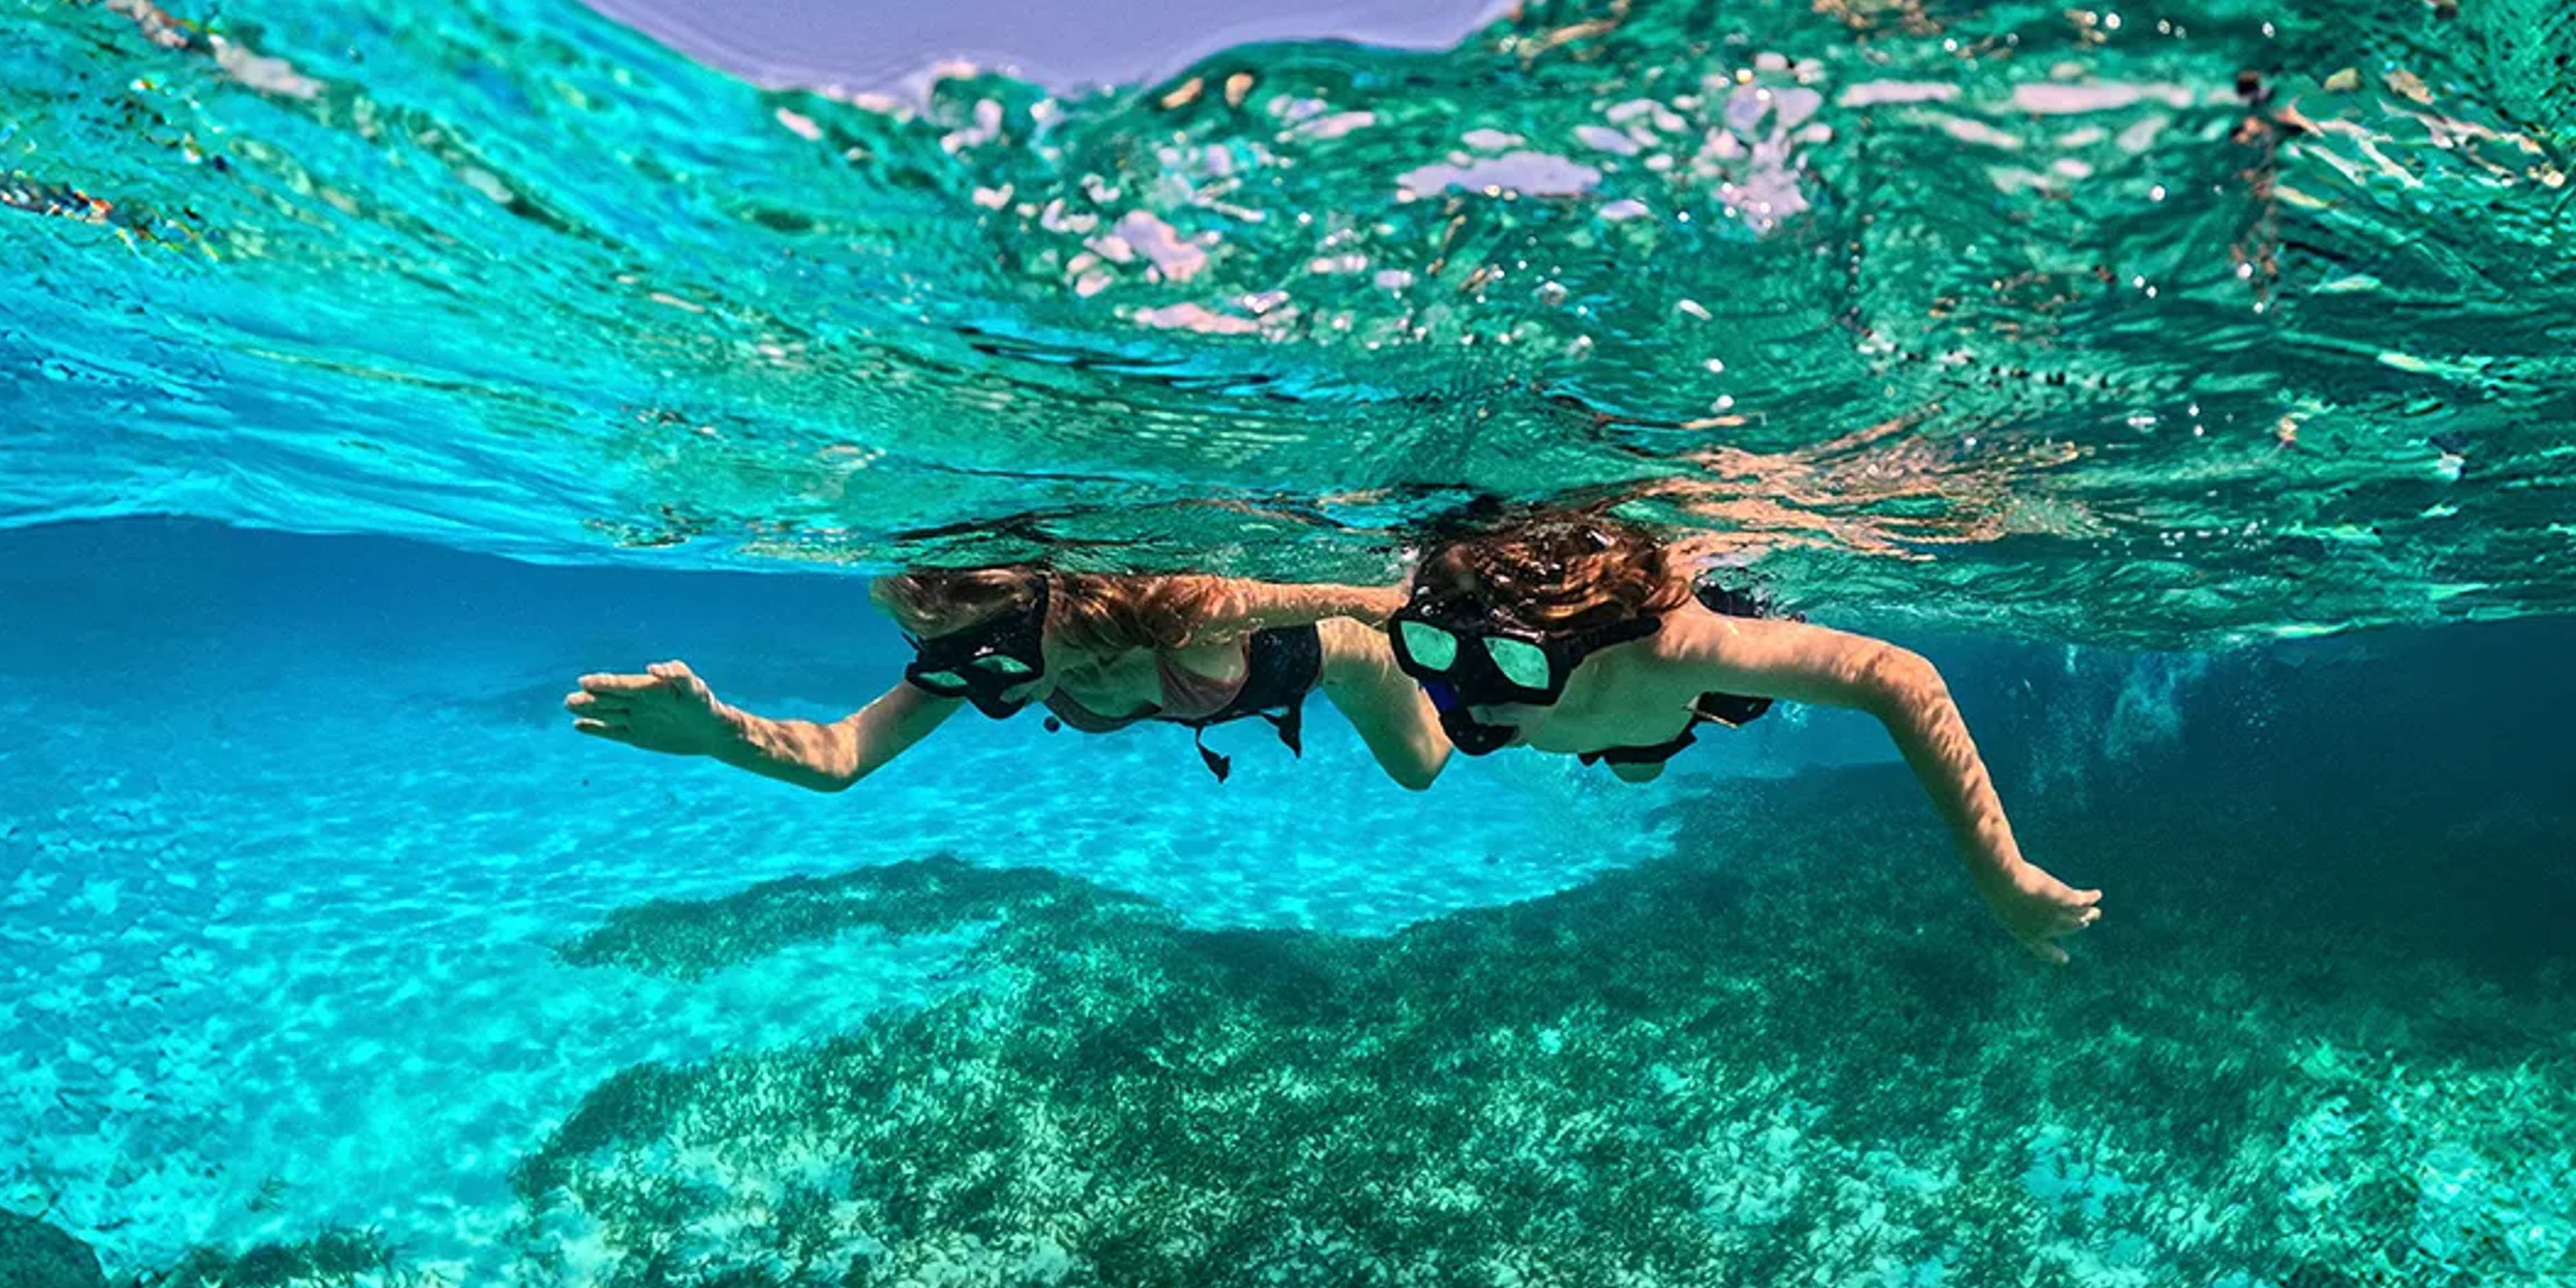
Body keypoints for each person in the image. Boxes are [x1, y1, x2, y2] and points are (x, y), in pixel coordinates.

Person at [1387, 507, 2103, 960]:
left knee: (1641, 762)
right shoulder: (1457, 634)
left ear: (1570, 644)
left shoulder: (1672, 650)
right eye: (1434, 652)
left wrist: (2000, 873)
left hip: (1671, 707)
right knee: (1628, 766)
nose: (1469, 702)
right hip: (1620, 727)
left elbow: (1899, 676)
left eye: (1513, 665)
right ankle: (1621, 747)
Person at [566, 565, 1447, 791]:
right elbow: (840, 757)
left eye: (990, 655)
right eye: (938, 656)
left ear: (1048, 616)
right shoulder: (975, 658)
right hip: (1211, 694)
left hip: (1324, 657)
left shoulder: (1173, 606)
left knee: (1424, 767)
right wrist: (723, 735)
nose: (974, 682)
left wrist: (1420, 618)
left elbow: (1364, 599)